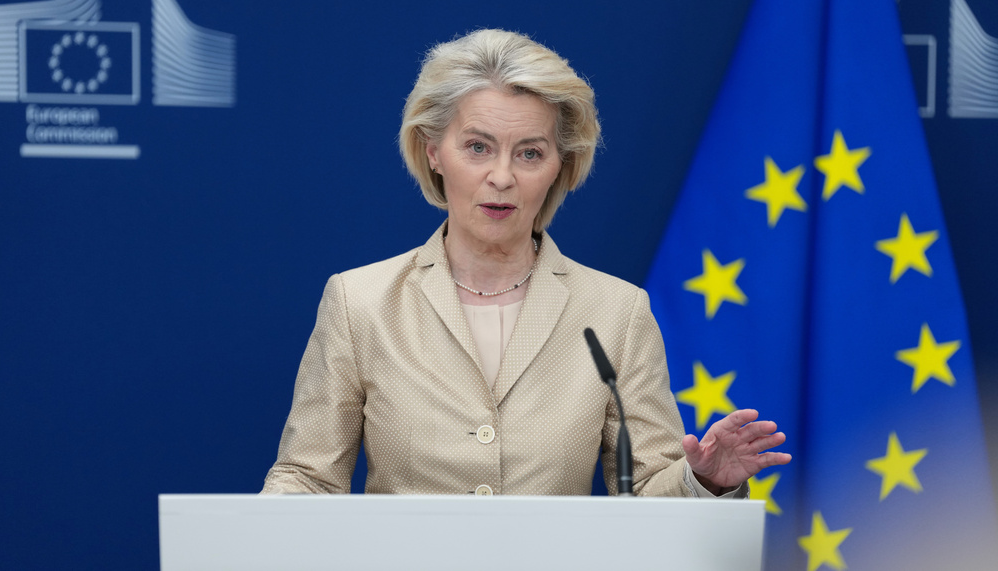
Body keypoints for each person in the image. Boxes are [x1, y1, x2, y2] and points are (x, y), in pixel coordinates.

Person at [261, 28, 790, 497]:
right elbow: (307, 479)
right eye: (477, 147)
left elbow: (648, 491)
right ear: (433, 151)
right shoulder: (362, 303)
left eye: (530, 153)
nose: (502, 176)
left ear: (563, 164)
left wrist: (704, 481)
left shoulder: (615, 312)